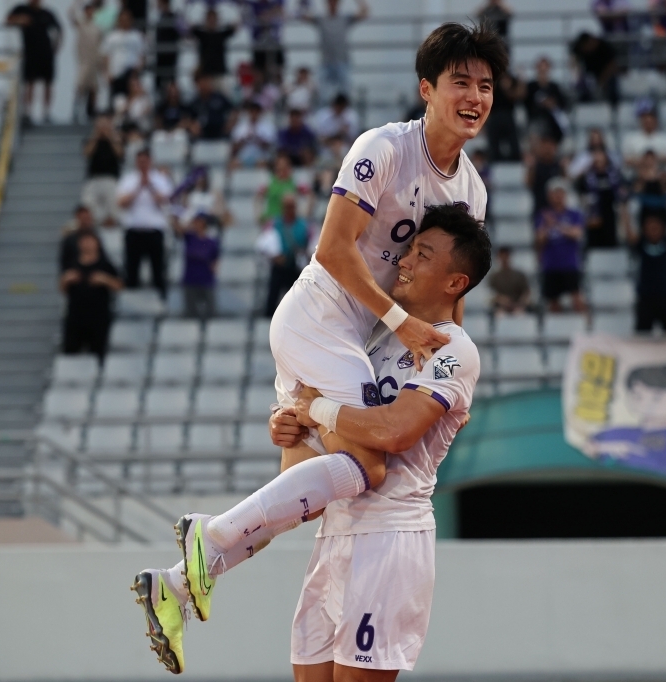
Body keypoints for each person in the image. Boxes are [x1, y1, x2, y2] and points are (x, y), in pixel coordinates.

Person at [128, 24, 508, 675]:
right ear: (427, 89)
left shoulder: (471, 190)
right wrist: (402, 323)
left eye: (486, 85)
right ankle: (206, 540)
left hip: (357, 352)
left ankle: (175, 582)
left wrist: (449, 359)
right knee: (369, 465)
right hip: (322, 319)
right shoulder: (383, 147)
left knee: (303, 488)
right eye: (460, 83)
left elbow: (457, 284)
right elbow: (332, 250)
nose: (474, 96)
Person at [132, 205, 491, 679]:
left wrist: (316, 411)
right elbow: (307, 470)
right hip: (335, 534)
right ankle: (184, 574)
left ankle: (209, 541)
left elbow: (394, 431)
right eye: (409, 249)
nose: (404, 260)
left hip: (390, 535)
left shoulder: (454, 350)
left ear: (454, 283)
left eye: (423, 254)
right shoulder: (367, 338)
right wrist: (291, 425)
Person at [587, 364, 666, 480]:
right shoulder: (613, 432)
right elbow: (584, 451)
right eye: (638, 396)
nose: (645, 405)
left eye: (656, 398)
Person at [116, 148, 174, 299]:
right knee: (131, 271)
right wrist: (138, 187)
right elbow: (122, 203)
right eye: (140, 161)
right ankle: (132, 303)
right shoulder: (128, 179)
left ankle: (161, 302)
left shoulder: (160, 179)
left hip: (154, 231)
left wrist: (150, 186)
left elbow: (165, 202)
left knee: (158, 271)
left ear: (150, 161)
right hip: (134, 231)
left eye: (145, 161)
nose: (142, 164)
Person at [60, 231, 123, 363]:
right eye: (84, 241)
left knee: (98, 352)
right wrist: (66, 280)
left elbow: (119, 285)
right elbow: (62, 289)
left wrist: (104, 280)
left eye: (90, 241)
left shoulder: (105, 264)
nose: (87, 244)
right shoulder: (72, 263)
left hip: (98, 317)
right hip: (75, 317)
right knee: (70, 352)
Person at [624, 212, 666, 333]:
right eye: (650, 227)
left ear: (663, 229)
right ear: (644, 229)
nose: (653, 230)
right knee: (642, 337)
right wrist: (624, 210)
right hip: (645, 298)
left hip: (665, 297)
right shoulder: (641, 244)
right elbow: (629, 233)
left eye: (656, 227)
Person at [301, 0, 370, 103]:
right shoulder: (321, 19)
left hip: (342, 63)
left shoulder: (345, 18)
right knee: (323, 98)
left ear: (338, 4)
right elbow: (303, 16)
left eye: (334, 2)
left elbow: (364, 13)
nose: (332, 4)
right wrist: (303, 3)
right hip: (325, 63)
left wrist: (359, 1)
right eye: (330, 2)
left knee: (345, 97)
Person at [6, 0, 62, 125]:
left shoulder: (47, 13)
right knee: (30, 83)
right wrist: (20, 20)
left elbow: (58, 29)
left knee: (47, 83)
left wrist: (57, 47)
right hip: (30, 53)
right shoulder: (22, 9)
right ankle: (28, 112)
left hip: (46, 53)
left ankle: (46, 113)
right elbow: (8, 21)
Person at [536, 177, 587, 312]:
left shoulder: (574, 214)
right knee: (553, 301)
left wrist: (556, 224)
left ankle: (585, 326)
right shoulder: (544, 215)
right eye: (555, 193)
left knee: (577, 298)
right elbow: (539, 239)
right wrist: (547, 227)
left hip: (569, 264)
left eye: (560, 193)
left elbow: (577, 233)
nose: (558, 196)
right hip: (551, 264)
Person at [259, 194, 310, 316]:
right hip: (279, 265)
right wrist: (274, 257)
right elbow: (263, 245)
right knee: (273, 295)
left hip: (296, 266)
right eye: (287, 206)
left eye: (291, 206)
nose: (289, 209)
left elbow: (310, 245)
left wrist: (303, 253)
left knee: (297, 298)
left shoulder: (303, 226)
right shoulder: (274, 224)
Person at [575, 147, 629, 248]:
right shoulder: (587, 177)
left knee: (611, 244)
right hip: (594, 217)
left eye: (600, 155)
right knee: (594, 245)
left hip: (612, 216)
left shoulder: (615, 175)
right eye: (595, 155)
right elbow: (580, 193)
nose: (598, 158)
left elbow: (624, 193)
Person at [175, 211, 220, 320]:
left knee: (210, 311)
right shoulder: (190, 237)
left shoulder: (211, 242)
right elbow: (178, 229)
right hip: (190, 279)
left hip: (206, 280)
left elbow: (215, 262)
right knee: (190, 312)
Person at [82, 114, 124, 227]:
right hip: (94, 178)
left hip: (110, 178)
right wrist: (96, 136)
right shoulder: (91, 139)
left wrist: (110, 136)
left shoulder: (116, 139)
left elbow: (119, 154)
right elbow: (87, 153)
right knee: (89, 206)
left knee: (113, 209)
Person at [69, 0, 103, 123]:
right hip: (84, 62)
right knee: (80, 86)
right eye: (87, 10)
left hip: (94, 62)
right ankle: (76, 111)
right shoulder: (82, 24)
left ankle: (91, 112)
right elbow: (71, 15)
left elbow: (99, 45)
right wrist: (77, 3)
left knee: (94, 88)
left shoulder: (97, 28)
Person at [101, 9, 145, 101]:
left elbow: (142, 55)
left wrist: (137, 71)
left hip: (131, 75)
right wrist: (107, 73)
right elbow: (106, 56)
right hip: (116, 75)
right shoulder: (112, 37)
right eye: (122, 20)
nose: (125, 22)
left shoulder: (137, 36)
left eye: (127, 19)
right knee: (118, 101)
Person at [524, 56, 569, 144]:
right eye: (541, 70)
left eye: (545, 70)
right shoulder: (531, 86)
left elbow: (563, 104)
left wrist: (552, 104)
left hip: (553, 122)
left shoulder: (554, 87)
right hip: (536, 120)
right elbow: (526, 103)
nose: (543, 73)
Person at [621, 100, 666, 168]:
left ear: (656, 121)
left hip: (661, 174)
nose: (648, 123)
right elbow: (625, 160)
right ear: (641, 121)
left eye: (651, 121)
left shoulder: (665, 139)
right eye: (645, 120)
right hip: (636, 175)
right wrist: (644, 162)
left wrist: (654, 160)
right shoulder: (630, 138)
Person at [256, 152, 309, 224]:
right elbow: (258, 197)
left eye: (284, 167)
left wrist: (305, 214)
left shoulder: (295, 182)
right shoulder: (269, 182)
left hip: (289, 223)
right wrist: (259, 215)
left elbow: (310, 196)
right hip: (272, 220)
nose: (282, 170)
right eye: (279, 167)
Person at [571, 32, 620, 107]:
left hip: (606, 75)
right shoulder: (579, 48)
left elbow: (612, 66)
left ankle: (614, 106)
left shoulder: (605, 47)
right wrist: (578, 74)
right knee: (582, 88)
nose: (585, 49)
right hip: (589, 75)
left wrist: (601, 81)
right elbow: (574, 61)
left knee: (612, 87)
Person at [244, 0, 287, 83]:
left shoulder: (275, 4)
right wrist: (268, 14)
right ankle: (260, 91)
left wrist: (268, 14)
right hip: (259, 43)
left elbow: (281, 11)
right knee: (259, 71)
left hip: (274, 43)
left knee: (278, 69)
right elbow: (251, 18)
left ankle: (278, 88)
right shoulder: (253, 5)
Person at [190, 7, 238, 79]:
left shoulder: (221, 35)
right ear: (206, 20)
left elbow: (234, 28)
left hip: (220, 72)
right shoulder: (202, 35)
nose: (212, 21)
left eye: (213, 19)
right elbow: (191, 28)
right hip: (205, 73)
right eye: (210, 19)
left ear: (217, 20)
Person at [187, 69, 236, 141]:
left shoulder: (219, 98)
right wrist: (192, 126)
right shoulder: (195, 103)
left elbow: (234, 110)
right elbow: (187, 119)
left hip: (220, 135)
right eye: (201, 82)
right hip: (202, 137)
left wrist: (230, 122)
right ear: (197, 84)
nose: (204, 84)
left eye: (206, 81)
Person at [486, 71, 523, 161]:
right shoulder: (492, 78)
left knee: (513, 141)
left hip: (508, 115)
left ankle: (515, 159)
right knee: (493, 142)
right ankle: (494, 160)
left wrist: (508, 88)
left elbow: (519, 95)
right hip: (494, 115)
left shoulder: (512, 79)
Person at [230, 100, 278, 168]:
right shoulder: (240, 127)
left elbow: (271, 147)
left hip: (261, 155)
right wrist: (244, 140)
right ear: (248, 112)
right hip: (244, 155)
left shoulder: (268, 127)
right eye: (252, 112)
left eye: (256, 112)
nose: (254, 114)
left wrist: (258, 139)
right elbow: (234, 147)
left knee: (263, 164)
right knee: (233, 164)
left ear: (260, 113)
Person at [525, 136, 564, 217]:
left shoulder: (558, 166)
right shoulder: (536, 166)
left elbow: (565, 184)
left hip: (557, 209)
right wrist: (531, 168)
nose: (547, 150)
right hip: (540, 207)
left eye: (550, 146)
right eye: (545, 146)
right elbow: (528, 183)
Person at [489, 245, 531, 313]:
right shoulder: (494, 276)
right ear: (498, 257)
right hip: (501, 307)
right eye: (502, 256)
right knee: (500, 315)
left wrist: (520, 303)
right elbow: (490, 294)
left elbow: (527, 292)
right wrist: (501, 300)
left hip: (518, 306)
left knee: (519, 315)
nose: (504, 259)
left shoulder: (519, 275)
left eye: (506, 256)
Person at [153, 0, 181, 89]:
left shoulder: (174, 17)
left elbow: (183, 32)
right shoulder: (158, 17)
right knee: (158, 78)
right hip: (160, 53)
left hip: (170, 53)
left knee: (171, 77)